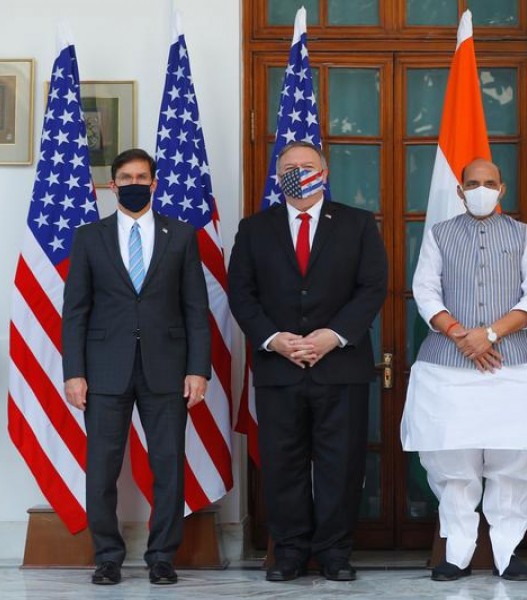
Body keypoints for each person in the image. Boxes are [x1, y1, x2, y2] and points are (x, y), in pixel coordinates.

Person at [227, 141, 387, 582]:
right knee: (283, 463)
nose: (298, 173)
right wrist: (274, 339)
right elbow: (241, 293)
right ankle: (291, 552)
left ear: (325, 171)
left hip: (341, 365)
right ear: (278, 177)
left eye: (307, 166)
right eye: (289, 168)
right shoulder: (255, 228)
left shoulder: (356, 224)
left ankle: (335, 553)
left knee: (341, 463)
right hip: (279, 367)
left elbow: (372, 287)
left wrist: (331, 337)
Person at [401, 158, 527, 582]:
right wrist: (461, 335)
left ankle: (508, 554)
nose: (481, 189)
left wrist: (488, 334)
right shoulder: (440, 234)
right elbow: (426, 290)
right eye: (473, 183)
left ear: (502, 189)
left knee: (513, 462)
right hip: (449, 369)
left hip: (515, 367)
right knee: (453, 462)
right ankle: (457, 553)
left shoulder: (525, 236)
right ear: (460, 190)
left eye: (490, 183)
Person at [62, 148, 211, 585]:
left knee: (168, 465)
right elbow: (76, 311)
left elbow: (195, 309)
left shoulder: (181, 236)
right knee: (103, 468)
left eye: (141, 176)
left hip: (167, 368)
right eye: (125, 177)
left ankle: (162, 556)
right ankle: (107, 556)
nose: (133, 183)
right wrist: (74, 372)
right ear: (112, 185)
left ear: (154, 183)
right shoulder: (90, 236)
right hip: (104, 369)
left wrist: (198, 369)